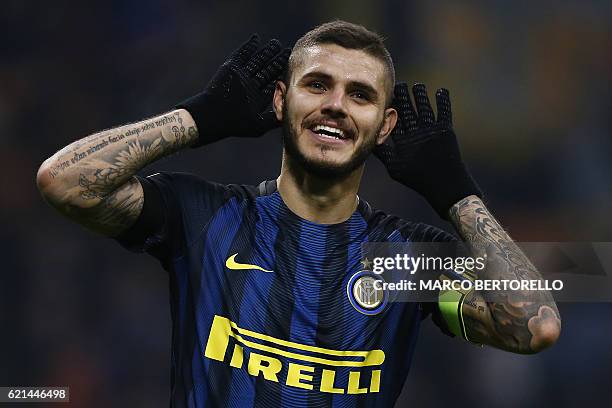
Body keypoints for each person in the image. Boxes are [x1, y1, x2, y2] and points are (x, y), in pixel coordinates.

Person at [37, 21, 561, 407]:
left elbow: (534, 327)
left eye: (359, 95)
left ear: (384, 126)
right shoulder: (207, 216)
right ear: (281, 101)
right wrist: (199, 117)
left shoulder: (404, 259)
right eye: (317, 85)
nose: (335, 104)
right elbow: (64, 183)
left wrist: (456, 191)